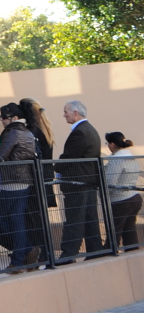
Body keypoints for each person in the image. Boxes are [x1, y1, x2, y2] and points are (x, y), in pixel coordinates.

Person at [56, 100, 103, 260]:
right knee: (90, 218)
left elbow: (69, 157)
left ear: (75, 113)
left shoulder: (80, 132)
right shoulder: (90, 130)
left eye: (66, 112)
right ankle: (95, 250)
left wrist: (55, 168)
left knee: (74, 219)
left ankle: (68, 254)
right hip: (87, 182)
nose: (64, 115)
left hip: (77, 183)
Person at [0, 103, 37, 272]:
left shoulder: (12, 132)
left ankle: (23, 252)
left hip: (11, 182)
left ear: (14, 118)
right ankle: (21, 256)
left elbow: (0, 156)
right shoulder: (27, 132)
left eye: (4, 117)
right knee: (16, 220)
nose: (1, 120)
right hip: (24, 181)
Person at [21, 97, 58, 214]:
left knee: (33, 215)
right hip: (46, 175)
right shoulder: (45, 128)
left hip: (36, 178)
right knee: (40, 215)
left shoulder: (32, 131)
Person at [104, 132, 140, 249]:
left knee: (114, 231)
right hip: (134, 197)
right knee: (130, 230)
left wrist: (103, 196)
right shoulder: (130, 156)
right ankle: (133, 254)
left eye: (107, 143)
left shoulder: (116, 159)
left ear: (112, 144)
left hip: (120, 200)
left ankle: (109, 253)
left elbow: (110, 182)